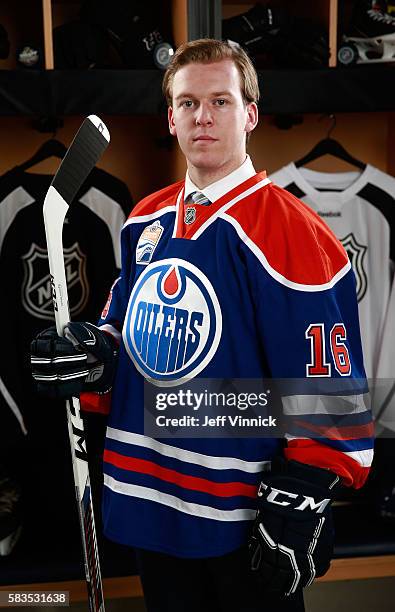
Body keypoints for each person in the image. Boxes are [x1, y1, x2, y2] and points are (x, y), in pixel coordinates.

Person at [31, 39, 374, 612]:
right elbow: (128, 328)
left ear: (251, 114)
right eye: (188, 103)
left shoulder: (292, 232)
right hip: (149, 496)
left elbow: (326, 379)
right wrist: (96, 353)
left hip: (239, 510)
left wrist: (305, 492)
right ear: (171, 118)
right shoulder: (146, 217)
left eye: (220, 100)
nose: (203, 116)